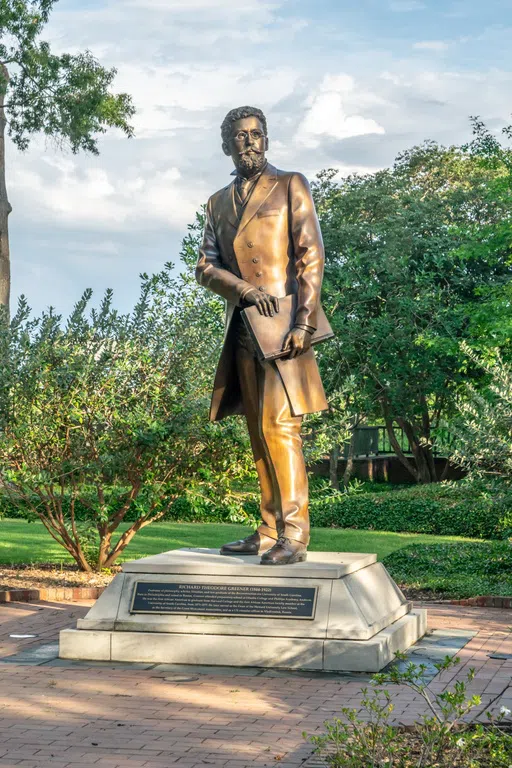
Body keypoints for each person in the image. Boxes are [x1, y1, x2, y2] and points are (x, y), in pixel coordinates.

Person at [195, 105, 328, 566]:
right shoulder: (216, 203)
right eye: (240, 136)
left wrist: (305, 322)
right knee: (258, 433)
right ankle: (269, 527)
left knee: (281, 428)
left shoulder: (291, 184)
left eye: (256, 134)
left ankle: (294, 532)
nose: (249, 142)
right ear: (227, 144)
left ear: (266, 140)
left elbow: (310, 256)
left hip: (286, 325)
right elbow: (205, 267)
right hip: (244, 329)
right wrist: (244, 290)